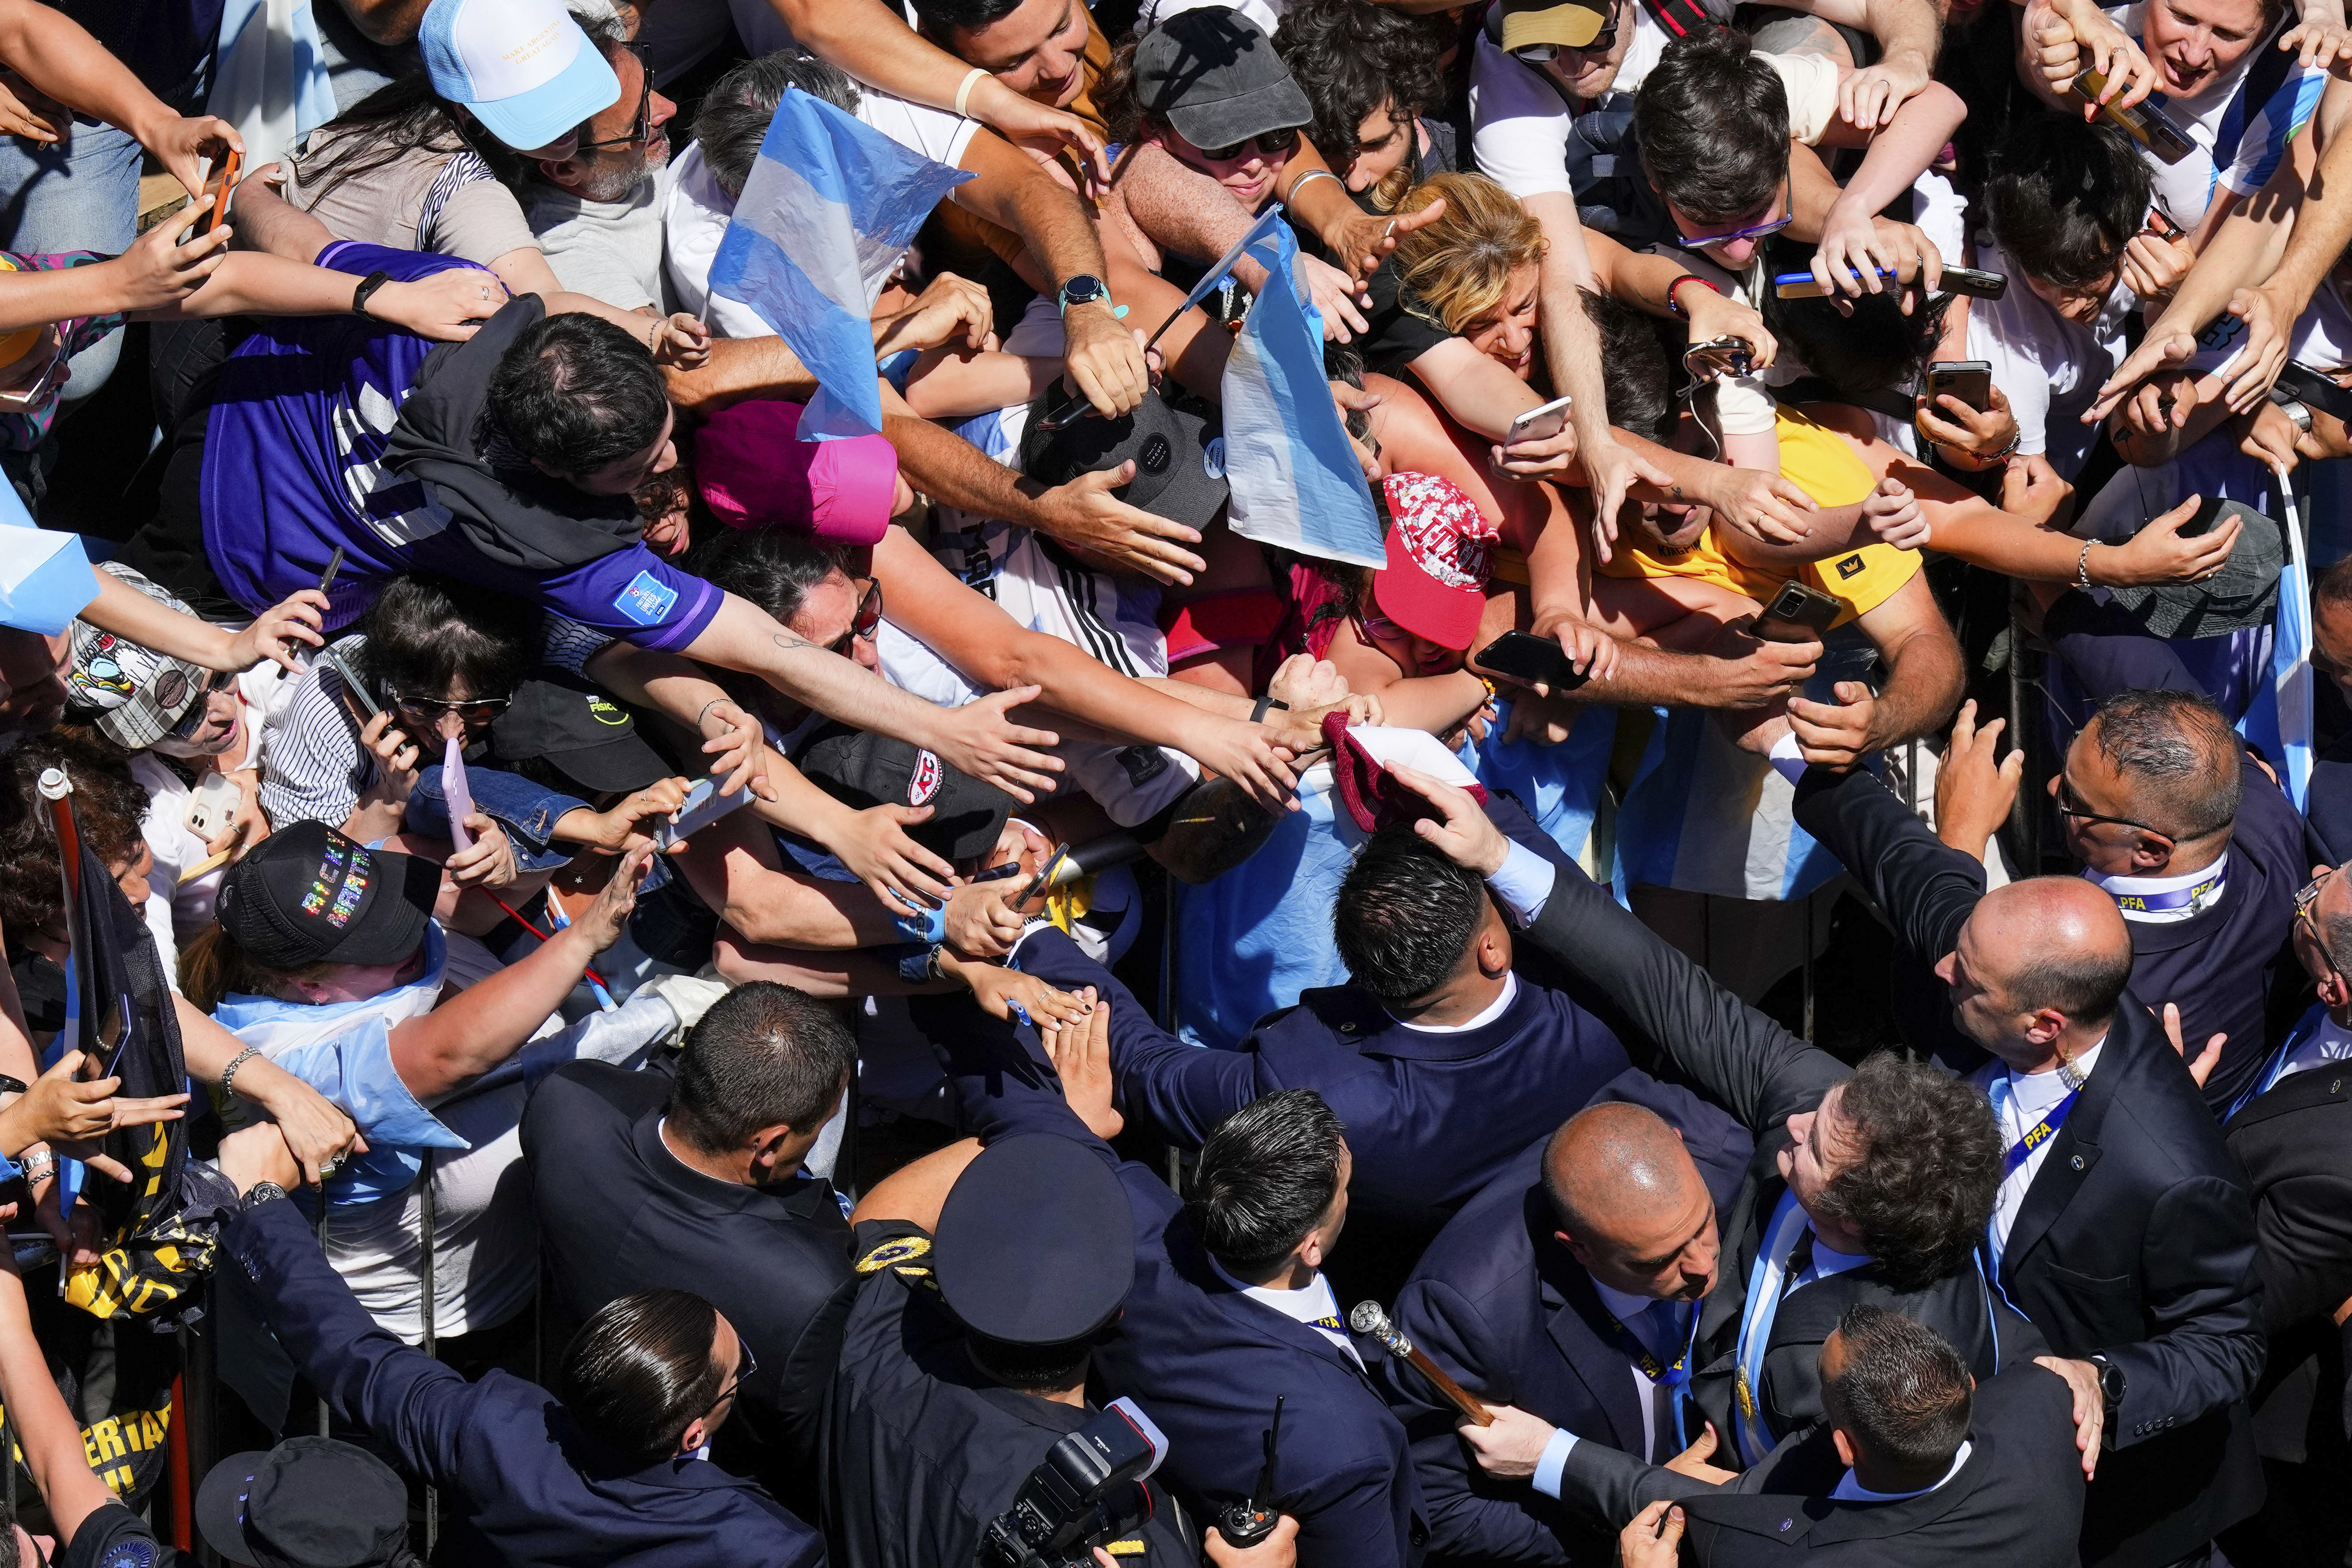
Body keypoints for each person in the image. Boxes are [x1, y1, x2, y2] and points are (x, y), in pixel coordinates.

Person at [1790, 713, 2268, 1568]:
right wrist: (1804, 763)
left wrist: (2102, 1380)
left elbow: (2224, 1343)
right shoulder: (2008, 967)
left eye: (1964, 981)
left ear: (2043, 1023)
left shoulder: (2169, 1171)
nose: (1943, 974)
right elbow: (1919, 881)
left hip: (2118, 1504)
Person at [213, 1117, 825, 1566]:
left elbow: (345, 1349)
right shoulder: (763, 1545)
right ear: (693, 1433)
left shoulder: (495, 1432)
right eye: (736, 1371)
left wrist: (260, 1203)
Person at [943, 1004, 1424, 1568]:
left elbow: (1015, 1106)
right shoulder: (1345, 1444)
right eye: (1344, 1189)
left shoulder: (1122, 1217)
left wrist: (955, 963)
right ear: (1309, 1246)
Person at [1009, 821, 1635, 1234]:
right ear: (1492, 947)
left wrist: (1029, 933)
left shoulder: (1318, 1085)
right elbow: (1538, 864)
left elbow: (1148, 1071)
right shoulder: (1605, 999)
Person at [830, 1127, 1297, 1568]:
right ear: (1115, 1315)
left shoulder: (885, 1324)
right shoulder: (1111, 1534)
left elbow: (883, 1211)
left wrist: (1025, 1132)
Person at [1384, 1085, 1756, 1564]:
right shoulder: (1466, 1315)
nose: (1704, 1266)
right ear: (1578, 1248)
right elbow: (1440, 1507)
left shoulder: (1724, 1153)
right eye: (1660, 1260)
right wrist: (1629, 1525)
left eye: (1703, 1225)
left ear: (1680, 1145)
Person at [521, 981, 856, 1503]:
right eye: (820, 1125)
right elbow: (807, 1443)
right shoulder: (809, 1288)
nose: (820, 1135)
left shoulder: (568, 1100)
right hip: (708, 1488)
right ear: (767, 1144)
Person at [1500, 1305, 2091, 1567]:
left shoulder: (1766, 1556)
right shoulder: (2045, 1402)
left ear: (1844, 1447)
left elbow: (1696, 1517)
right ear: (1965, 1383)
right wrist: (2098, 1372)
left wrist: (1545, 1457)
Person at [2209, 858, 2352, 1563]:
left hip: (2276, 1429)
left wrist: (2161, 1112)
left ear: (2337, 988)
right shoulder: (2311, 971)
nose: (2312, 875)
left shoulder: (2338, 1166)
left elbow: (2236, 1296)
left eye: (2309, 902)